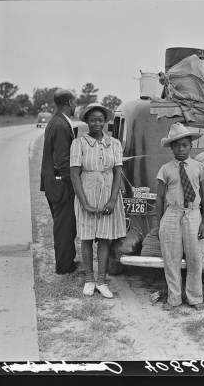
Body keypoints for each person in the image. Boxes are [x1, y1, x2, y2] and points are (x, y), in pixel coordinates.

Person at [69, 102, 127, 298]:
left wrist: (112, 200)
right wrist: (84, 202)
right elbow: (75, 175)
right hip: (87, 192)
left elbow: (118, 172)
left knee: (104, 238)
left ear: (105, 122)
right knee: (86, 237)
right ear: (86, 121)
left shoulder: (115, 144)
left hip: (108, 194)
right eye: (92, 120)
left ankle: (102, 281)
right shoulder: (79, 144)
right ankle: (89, 279)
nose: (96, 123)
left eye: (100, 120)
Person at [154, 122, 204, 311]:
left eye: (184, 145)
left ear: (191, 146)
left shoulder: (199, 168)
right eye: (176, 145)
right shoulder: (166, 169)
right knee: (171, 258)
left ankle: (194, 297)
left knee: (195, 258)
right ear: (171, 147)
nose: (180, 148)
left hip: (194, 214)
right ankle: (174, 298)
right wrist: (160, 222)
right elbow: (160, 197)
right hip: (172, 214)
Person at [40, 89, 78, 274]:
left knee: (64, 224)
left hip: (53, 183)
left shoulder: (55, 121)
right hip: (61, 185)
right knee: (64, 226)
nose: (76, 105)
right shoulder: (61, 125)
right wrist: (73, 184)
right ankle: (64, 266)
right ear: (69, 103)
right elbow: (63, 160)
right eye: (75, 102)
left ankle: (67, 261)